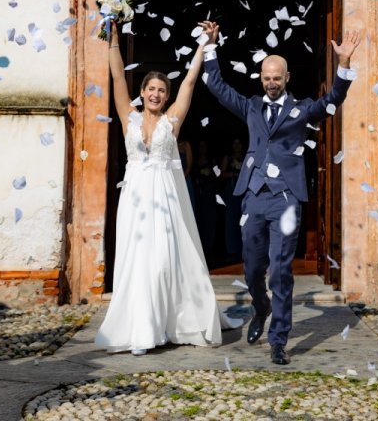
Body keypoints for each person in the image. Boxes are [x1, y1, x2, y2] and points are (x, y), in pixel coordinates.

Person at [202, 20, 361, 366]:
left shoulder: (302, 109)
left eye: (277, 78)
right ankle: (261, 308)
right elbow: (216, 85)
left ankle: (279, 340)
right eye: (266, 77)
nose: (271, 83)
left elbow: (334, 98)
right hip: (253, 196)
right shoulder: (251, 107)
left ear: (287, 78)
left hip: (287, 198)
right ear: (261, 77)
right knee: (252, 268)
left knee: (281, 270)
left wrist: (344, 63)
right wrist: (211, 44)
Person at [95, 22, 241, 356]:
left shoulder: (172, 119)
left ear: (166, 95)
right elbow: (118, 77)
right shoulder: (128, 116)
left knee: (162, 261)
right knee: (136, 260)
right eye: (151, 89)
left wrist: (205, 45)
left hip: (164, 197)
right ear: (143, 92)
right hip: (134, 197)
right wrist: (114, 41)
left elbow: (190, 80)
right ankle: (140, 329)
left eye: (162, 90)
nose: (156, 94)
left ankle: (171, 321)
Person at [220, 137, 246, 262]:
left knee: (243, 218)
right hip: (231, 189)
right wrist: (233, 174)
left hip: (243, 190)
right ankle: (231, 248)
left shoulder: (247, 157)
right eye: (234, 143)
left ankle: (244, 248)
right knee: (231, 218)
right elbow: (221, 173)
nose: (236, 146)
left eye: (238, 143)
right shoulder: (227, 158)